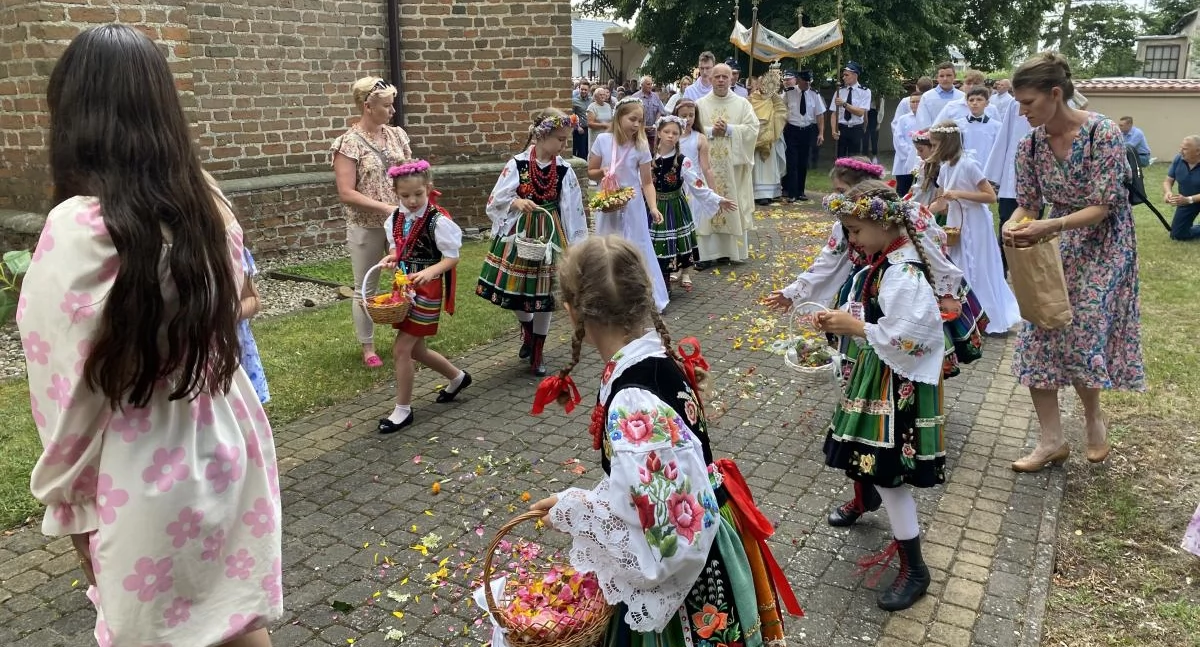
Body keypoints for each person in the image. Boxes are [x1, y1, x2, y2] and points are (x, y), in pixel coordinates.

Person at [21, 24, 281, 647]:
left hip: (136, 469)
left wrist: (69, 500)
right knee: (234, 620)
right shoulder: (208, 204)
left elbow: (66, 388)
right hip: (226, 439)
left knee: (155, 633)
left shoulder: (79, 229)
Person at [528, 235, 800, 645]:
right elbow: (648, 487)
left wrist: (581, 512)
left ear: (571, 311)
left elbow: (673, 543)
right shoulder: (649, 358)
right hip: (707, 534)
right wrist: (582, 505)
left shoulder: (634, 403)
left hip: (689, 574)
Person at [1003, 51, 1145, 472]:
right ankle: (1051, 441)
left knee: (1082, 333)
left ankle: (1093, 419)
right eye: (1018, 103)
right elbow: (1026, 204)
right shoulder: (1029, 144)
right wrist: (1015, 225)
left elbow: (1102, 207)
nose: (1022, 110)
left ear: (1055, 93)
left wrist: (1047, 226)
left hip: (1105, 244)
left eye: (1028, 102)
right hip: (1058, 245)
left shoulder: (1102, 133)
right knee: (1038, 332)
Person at [813, 184, 947, 612]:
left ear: (884, 222)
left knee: (889, 474)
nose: (851, 240)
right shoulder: (886, 261)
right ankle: (863, 496)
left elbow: (913, 335)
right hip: (881, 377)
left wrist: (857, 329)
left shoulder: (903, 273)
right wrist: (845, 321)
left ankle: (915, 569)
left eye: (855, 230)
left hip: (896, 387)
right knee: (862, 450)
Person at [477, 109, 589, 375]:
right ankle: (528, 329)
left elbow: (573, 208)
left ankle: (537, 351)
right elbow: (496, 200)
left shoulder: (563, 169)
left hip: (550, 233)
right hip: (520, 233)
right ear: (542, 136)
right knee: (516, 292)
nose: (564, 145)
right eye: (560, 139)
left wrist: (575, 246)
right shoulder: (517, 164)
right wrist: (516, 201)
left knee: (545, 294)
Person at [376, 160, 471, 433]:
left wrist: (431, 271)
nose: (412, 200)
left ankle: (403, 410)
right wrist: (393, 257)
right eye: (405, 196)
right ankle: (457, 377)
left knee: (401, 349)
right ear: (396, 193)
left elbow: (451, 257)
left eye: (418, 194)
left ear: (428, 188)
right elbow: (400, 249)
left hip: (426, 290)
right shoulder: (395, 217)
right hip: (404, 287)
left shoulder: (437, 220)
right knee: (417, 349)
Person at [332, 76, 413, 369]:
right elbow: (346, 192)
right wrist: (386, 207)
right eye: (387, 106)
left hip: (401, 221)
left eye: (392, 105)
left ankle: (408, 336)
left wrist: (413, 200)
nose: (392, 111)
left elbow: (410, 172)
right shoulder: (348, 144)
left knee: (406, 279)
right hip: (366, 224)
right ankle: (368, 347)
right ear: (368, 106)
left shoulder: (397, 136)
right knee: (365, 285)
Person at [925, 121, 1021, 335]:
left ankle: (987, 317)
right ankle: (965, 315)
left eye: (935, 144)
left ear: (946, 143)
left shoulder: (968, 165)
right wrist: (921, 213)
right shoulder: (945, 168)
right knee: (957, 266)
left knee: (978, 268)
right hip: (955, 224)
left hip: (975, 223)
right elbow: (941, 202)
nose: (932, 149)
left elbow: (990, 196)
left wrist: (960, 194)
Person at [588, 97, 671, 312]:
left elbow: (646, 181)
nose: (636, 125)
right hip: (609, 201)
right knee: (608, 248)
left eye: (640, 121)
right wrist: (602, 172)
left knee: (637, 246)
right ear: (619, 117)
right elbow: (591, 171)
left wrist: (652, 207)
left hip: (632, 205)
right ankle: (607, 297)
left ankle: (641, 296)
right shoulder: (603, 141)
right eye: (632, 119)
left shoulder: (641, 145)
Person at [649, 115, 736, 293]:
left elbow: (698, 185)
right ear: (659, 132)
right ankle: (652, 280)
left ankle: (664, 284)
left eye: (675, 133)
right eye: (666, 132)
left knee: (669, 244)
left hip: (673, 207)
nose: (670, 136)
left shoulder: (682, 161)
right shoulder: (647, 157)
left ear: (680, 135)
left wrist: (718, 199)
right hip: (651, 205)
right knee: (651, 243)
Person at [696, 63, 760, 267]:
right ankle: (706, 255)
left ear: (732, 79)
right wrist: (710, 131)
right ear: (710, 78)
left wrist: (731, 129)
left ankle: (730, 252)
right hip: (707, 166)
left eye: (725, 76)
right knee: (707, 204)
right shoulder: (700, 104)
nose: (721, 80)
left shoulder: (742, 104)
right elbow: (691, 131)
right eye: (717, 77)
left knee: (732, 205)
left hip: (733, 168)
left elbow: (753, 129)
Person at [984, 93, 1034, 273]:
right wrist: (994, 175)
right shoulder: (1015, 104)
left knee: (1030, 226)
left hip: (1036, 183)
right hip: (1011, 179)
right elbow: (1005, 136)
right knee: (1006, 223)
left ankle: (1024, 268)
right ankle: (1001, 268)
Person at [781, 69, 827, 203]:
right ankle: (791, 192)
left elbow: (820, 115)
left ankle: (800, 191)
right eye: (805, 82)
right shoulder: (788, 93)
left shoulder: (814, 94)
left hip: (807, 130)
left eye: (809, 82)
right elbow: (781, 111)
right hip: (792, 129)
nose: (807, 85)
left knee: (803, 161)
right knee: (792, 161)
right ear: (798, 80)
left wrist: (821, 133)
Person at [749, 69, 788, 205]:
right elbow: (748, 113)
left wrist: (773, 124)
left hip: (770, 135)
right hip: (755, 136)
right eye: (762, 83)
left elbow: (782, 111)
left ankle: (769, 193)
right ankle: (756, 193)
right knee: (756, 167)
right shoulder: (752, 98)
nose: (764, 86)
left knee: (768, 166)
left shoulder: (774, 97)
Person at [238, 245, 271, 404]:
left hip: (236, 348)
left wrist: (222, 315)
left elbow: (253, 300)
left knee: (246, 412)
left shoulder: (231, 246)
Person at [831, 61, 871, 157]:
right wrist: (833, 130)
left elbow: (861, 112)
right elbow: (834, 113)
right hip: (841, 128)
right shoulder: (839, 91)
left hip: (856, 129)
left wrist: (844, 104)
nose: (843, 77)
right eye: (843, 75)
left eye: (846, 75)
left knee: (854, 159)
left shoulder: (865, 92)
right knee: (840, 159)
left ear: (854, 75)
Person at [1163, 136, 1200, 241]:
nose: (1181, 151)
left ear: (1197, 151)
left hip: (1188, 200)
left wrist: (1188, 199)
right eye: (1181, 148)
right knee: (1177, 234)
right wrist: (1168, 193)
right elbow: (1168, 181)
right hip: (1187, 201)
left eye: (1185, 149)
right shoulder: (1178, 159)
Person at [954, 87, 1003, 162]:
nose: (974, 103)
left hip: (987, 167)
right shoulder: (958, 124)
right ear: (967, 103)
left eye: (979, 100)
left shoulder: (997, 126)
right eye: (971, 100)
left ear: (987, 103)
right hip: (964, 167)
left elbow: (999, 151)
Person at [915, 62, 962, 130]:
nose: (945, 79)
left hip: (958, 138)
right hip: (934, 137)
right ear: (937, 77)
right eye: (941, 76)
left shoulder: (962, 96)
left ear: (955, 76)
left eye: (948, 75)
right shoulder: (927, 97)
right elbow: (923, 122)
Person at [892, 94, 922, 197]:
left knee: (920, 189)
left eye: (917, 101)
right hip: (904, 159)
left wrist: (918, 153)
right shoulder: (903, 119)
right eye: (912, 102)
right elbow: (898, 138)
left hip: (922, 159)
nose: (915, 104)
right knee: (902, 190)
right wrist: (911, 152)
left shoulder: (927, 119)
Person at [587, 87, 614, 153]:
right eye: (600, 95)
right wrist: (604, 125)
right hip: (596, 137)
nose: (602, 96)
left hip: (607, 135)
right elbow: (590, 124)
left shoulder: (608, 106)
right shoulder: (592, 107)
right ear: (595, 97)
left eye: (604, 94)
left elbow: (611, 120)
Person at [572, 80, 591, 159]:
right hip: (580, 130)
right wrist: (577, 127)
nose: (583, 91)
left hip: (590, 129)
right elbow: (572, 115)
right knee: (581, 152)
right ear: (579, 89)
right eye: (582, 89)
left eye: (585, 90)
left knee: (589, 151)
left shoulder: (591, 100)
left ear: (588, 90)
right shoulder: (574, 101)